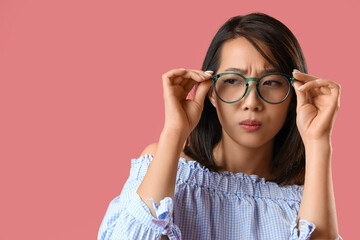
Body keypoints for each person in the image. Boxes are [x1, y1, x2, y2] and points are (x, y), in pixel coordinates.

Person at [97, 12, 342, 240]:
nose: (251, 102)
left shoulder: (305, 197)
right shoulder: (168, 166)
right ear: (211, 91)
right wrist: (174, 132)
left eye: (271, 82)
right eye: (233, 80)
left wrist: (318, 141)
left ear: (293, 96)